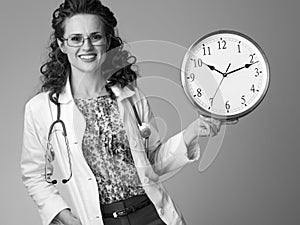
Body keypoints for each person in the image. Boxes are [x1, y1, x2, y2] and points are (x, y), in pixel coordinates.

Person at [20, 0, 224, 224]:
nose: (86, 47)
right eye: (76, 38)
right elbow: (34, 175)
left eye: (95, 37)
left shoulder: (131, 97)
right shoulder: (42, 108)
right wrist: (62, 214)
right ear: (62, 44)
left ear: (107, 41)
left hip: (152, 215)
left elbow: (152, 162)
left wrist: (192, 132)